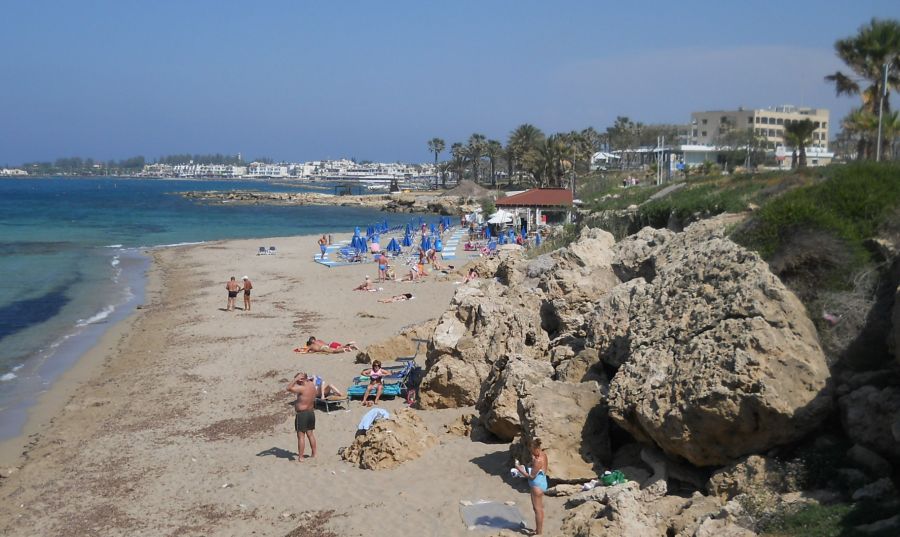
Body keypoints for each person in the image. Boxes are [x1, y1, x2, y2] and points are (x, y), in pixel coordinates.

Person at [515, 438, 548, 535]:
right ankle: (538, 530)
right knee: (538, 509)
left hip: (536, 485)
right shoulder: (543, 455)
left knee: (537, 510)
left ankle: (539, 533)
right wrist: (528, 465)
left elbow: (531, 476)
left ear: (536, 448)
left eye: (532, 451)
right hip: (542, 482)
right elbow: (541, 470)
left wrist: (519, 469)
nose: (532, 453)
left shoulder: (538, 460)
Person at [286, 372, 317, 461]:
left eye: (298, 381)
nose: (297, 383)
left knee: (301, 436)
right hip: (311, 412)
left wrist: (296, 379)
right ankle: (314, 454)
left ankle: (301, 457)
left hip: (302, 414)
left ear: (301, 380)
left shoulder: (302, 388)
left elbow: (288, 388)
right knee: (310, 434)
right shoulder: (311, 384)